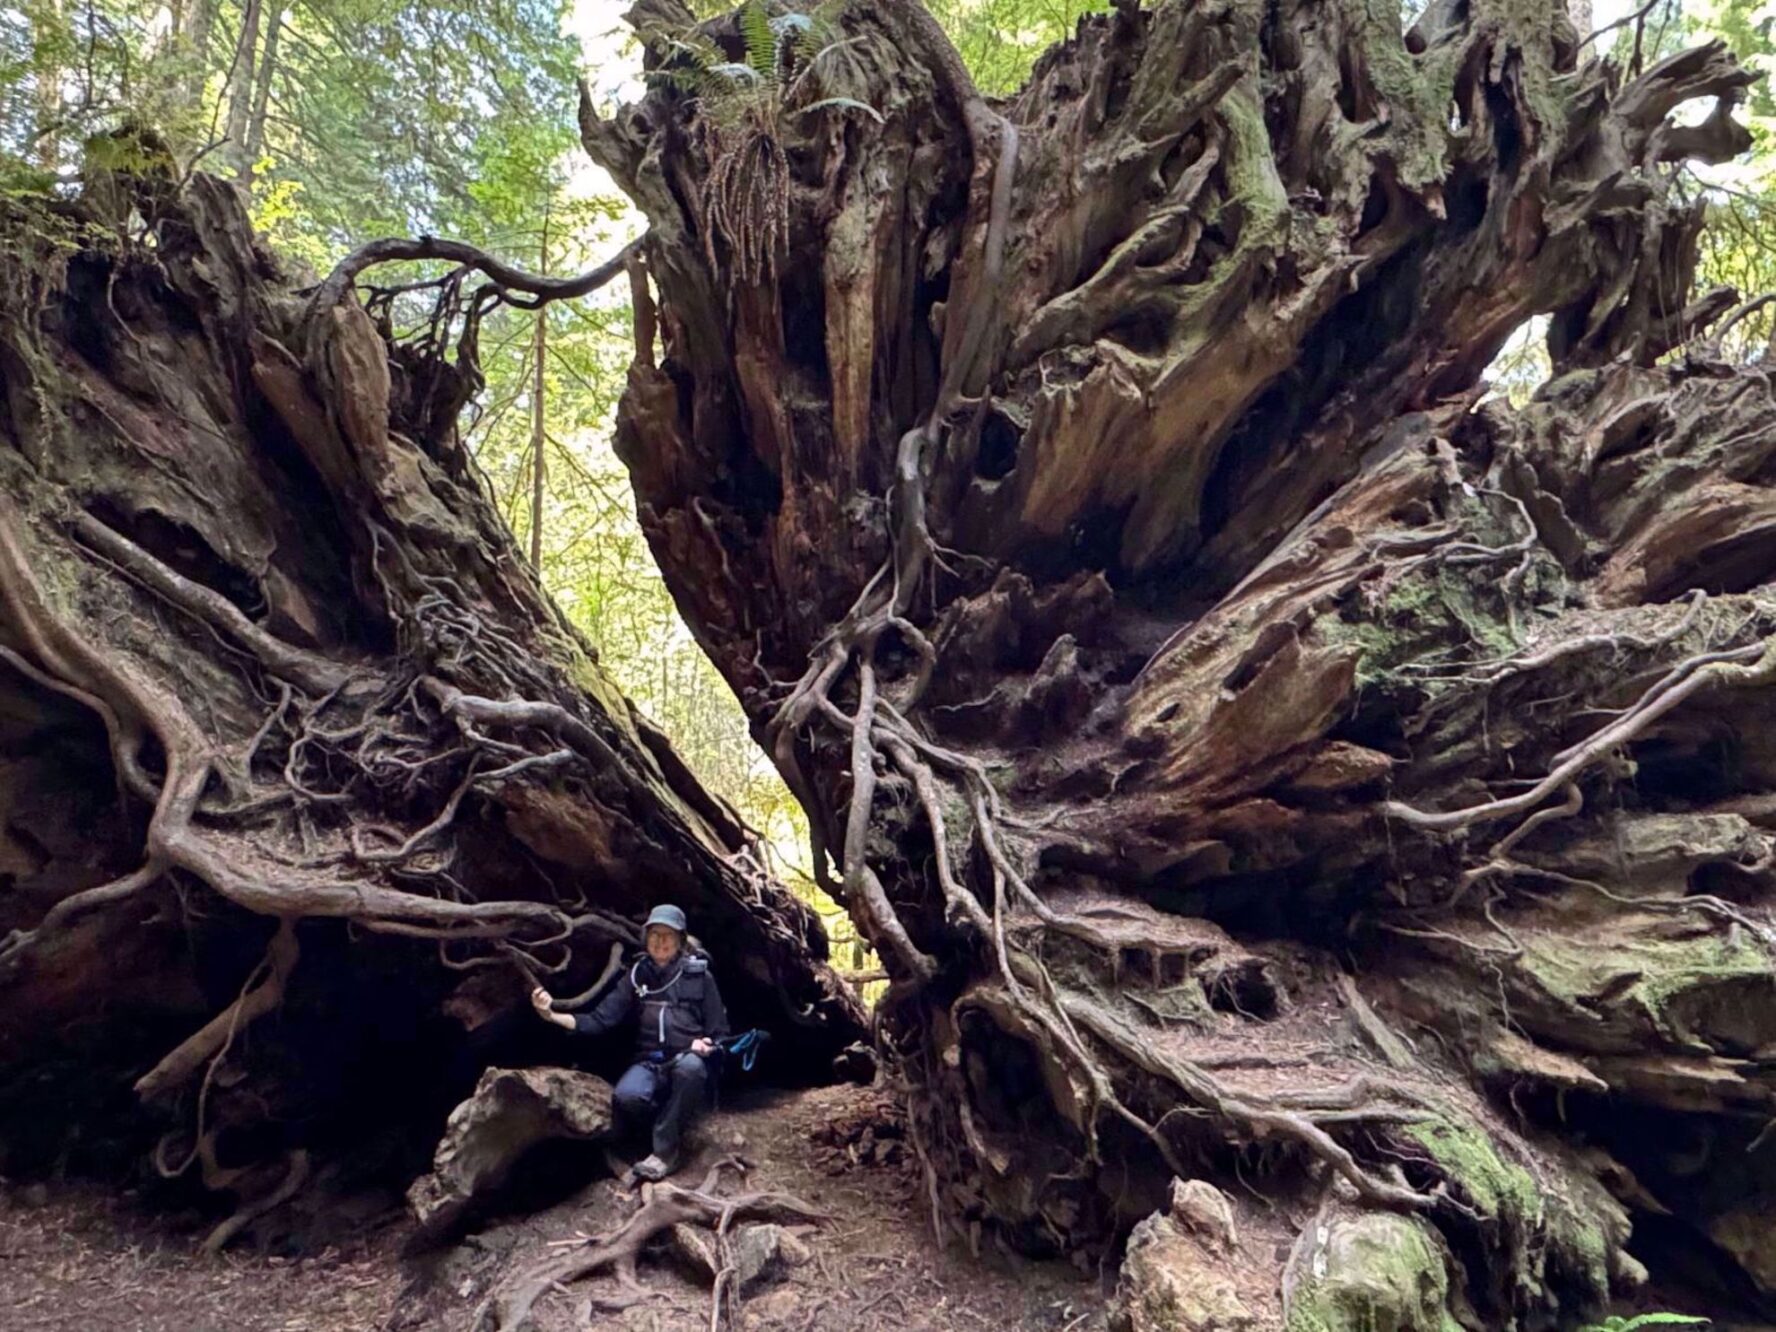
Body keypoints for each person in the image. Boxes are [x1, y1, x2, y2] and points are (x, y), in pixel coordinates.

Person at [530, 904, 728, 1181]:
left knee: (691, 1068)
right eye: (654, 934)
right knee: (627, 1097)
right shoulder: (636, 976)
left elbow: (720, 1031)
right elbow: (600, 1020)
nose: (660, 942)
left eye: (668, 935)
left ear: (681, 941)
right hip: (650, 1062)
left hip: (687, 1059)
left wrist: (708, 1045)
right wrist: (551, 1015)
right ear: (646, 939)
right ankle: (662, 1126)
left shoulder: (700, 977)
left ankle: (664, 1154)